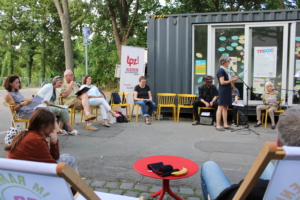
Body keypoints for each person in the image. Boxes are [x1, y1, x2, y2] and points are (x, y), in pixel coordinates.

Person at [200, 107, 300, 200]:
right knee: (267, 165)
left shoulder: (257, 189)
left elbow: (227, 195)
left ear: (278, 145)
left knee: (209, 166)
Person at [5, 108, 78, 172]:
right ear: (43, 127)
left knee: (67, 157)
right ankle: (74, 187)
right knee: (70, 160)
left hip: (19, 170)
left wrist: (53, 141)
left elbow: (53, 158)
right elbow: (52, 166)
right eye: (53, 124)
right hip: (24, 174)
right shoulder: (36, 140)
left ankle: (74, 186)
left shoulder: (30, 134)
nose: (54, 127)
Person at [215, 56, 238, 131]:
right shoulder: (221, 70)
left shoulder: (226, 70)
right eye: (228, 62)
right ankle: (218, 125)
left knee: (226, 108)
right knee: (220, 107)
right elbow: (222, 82)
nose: (229, 63)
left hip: (227, 90)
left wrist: (233, 79)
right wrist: (232, 80)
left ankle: (225, 124)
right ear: (224, 62)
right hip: (223, 90)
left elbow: (228, 80)